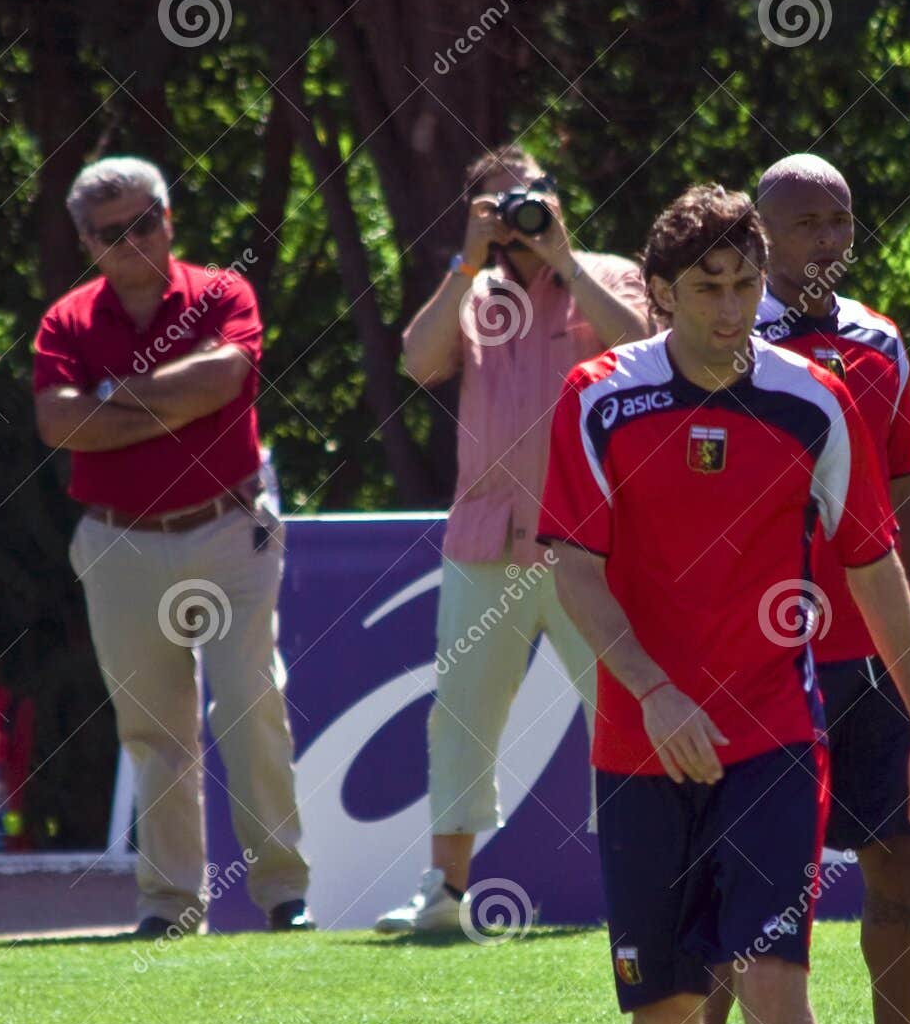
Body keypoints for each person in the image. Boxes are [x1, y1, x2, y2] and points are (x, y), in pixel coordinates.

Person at [538, 185, 910, 1024]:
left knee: (775, 980)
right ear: (661, 293)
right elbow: (570, 566)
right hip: (639, 746)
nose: (730, 309)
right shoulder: (595, 398)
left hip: (776, 734)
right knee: (662, 1002)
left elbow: (871, 568)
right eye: (706, 289)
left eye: (743, 283)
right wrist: (653, 691)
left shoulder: (816, 402)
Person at [700, 154, 910, 1024]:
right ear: (759, 236)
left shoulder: (877, 344)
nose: (826, 238)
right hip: (760, 658)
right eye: (804, 221)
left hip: (870, 655)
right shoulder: (717, 347)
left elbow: (902, 492)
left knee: (895, 866)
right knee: (744, 880)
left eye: (839, 218)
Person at [33, 156, 311, 939]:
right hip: (120, 538)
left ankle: (283, 895)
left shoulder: (223, 293)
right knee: (152, 730)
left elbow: (224, 377)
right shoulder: (67, 321)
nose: (132, 242)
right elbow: (56, 422)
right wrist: (171, 403)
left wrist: (113, 398)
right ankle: (169, 908)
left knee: (248, 703)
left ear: (169, 216)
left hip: (228, 526)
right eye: (110, 233)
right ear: (87, 243)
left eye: (143, 222)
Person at [375, 144, 649, 934]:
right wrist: (465, 264)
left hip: (591, 544)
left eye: (530, 197)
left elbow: (642, 350)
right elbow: (418, 362)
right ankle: (445, 895)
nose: (519, 217)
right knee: (460, 715)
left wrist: (565, 259)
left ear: (558, 199)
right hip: (486, 540)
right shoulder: (473, 289)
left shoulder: (606, 273)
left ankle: (645, 883)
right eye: (498, 205)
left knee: (621, 707)